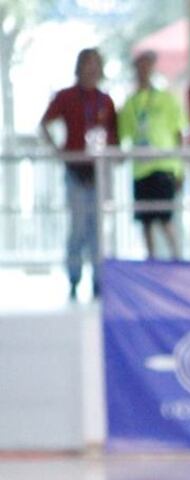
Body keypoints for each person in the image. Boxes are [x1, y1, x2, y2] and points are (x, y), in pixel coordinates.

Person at [39, 48, 118, 300]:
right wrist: (58, 151)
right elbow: (44, 124)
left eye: (96, 64)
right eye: (87, 64)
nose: (91, 69)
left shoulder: (105, 101)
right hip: (75, 170)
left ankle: (98, 279)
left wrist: (113, 157)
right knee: (78, 226)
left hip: (98, 171)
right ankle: (74, 277)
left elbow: (114, 136)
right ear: (79, 67)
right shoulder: (66, 96)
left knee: (97, 228)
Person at [117, 51, 187, 259]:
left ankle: (176, 257)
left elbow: (179, 134)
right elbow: (123, 136)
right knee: (146, 220)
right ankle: (151, 259)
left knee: (165, 217)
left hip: (164, 166)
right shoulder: (130, 103)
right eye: (140, 65)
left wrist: (180, 169)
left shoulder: (167, 99)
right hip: (141, 170)